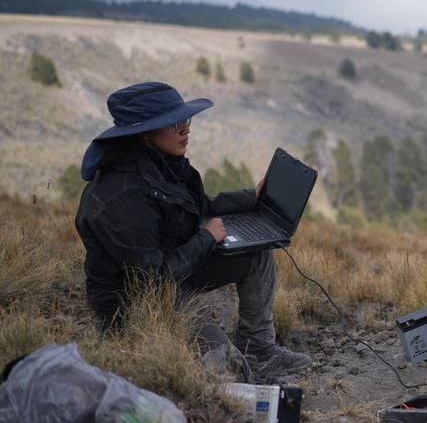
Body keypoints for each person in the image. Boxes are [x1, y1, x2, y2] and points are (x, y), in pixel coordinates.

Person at [75, 81, 312, 380]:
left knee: (257, 254)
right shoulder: (121, 196)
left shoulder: (162, 165)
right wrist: (206, 238)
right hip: (135, 300)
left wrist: (248, 198)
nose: (185, 129)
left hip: (171, 276)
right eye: (174, 124)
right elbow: (152, 280)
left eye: (185, 120)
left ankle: (260, 349)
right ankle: (244, 362)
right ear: (145, 132)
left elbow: (197, 206)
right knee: (232, 373)